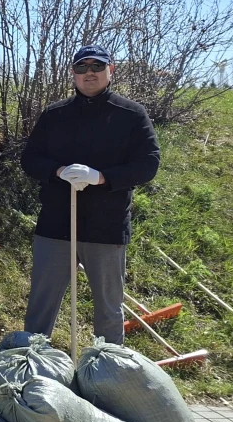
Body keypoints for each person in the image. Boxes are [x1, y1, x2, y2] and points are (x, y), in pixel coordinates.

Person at [21, 45, 160, 345]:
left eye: (97, 66)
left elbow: (148, 164)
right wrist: (57, 171)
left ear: (111, 71)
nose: (89, 74)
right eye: (82, 68)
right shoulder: (54, 114)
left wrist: (102, 178)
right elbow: (29, 159)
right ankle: (33, 371)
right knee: (39, 309)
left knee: (109, 310)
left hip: (106, 227)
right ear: (73, 74)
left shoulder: (132, 115)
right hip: (56, 224)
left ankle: (108, 373)